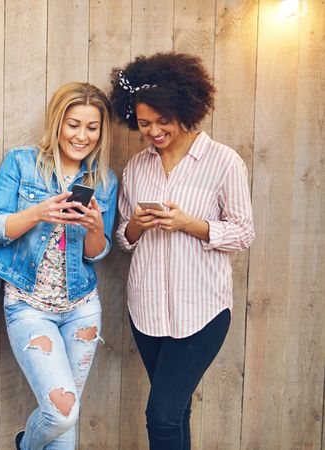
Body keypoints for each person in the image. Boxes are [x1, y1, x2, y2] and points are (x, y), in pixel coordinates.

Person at [109, 52, 255, 449]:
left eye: (163, 121)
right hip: (147, 310)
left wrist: (190, 224)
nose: (153, 131)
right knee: (176, 412)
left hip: (202, 311)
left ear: (185, 110)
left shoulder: (224, 162)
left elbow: (243, 233)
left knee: (161, 416)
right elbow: (123, 236)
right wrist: (138, 224)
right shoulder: (137, 167)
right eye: (143, 123)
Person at [0, 82, 118, 449]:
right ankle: (27, 445)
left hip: (82, 307)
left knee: (68, 417)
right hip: (28, 304)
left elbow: (96, 253)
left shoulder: (104, 180)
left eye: (92, 128)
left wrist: (94, 228)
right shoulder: (22, 162)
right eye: (73, 124)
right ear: (58, 122)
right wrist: (37, 213)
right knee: (62, 412)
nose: (82, 136)